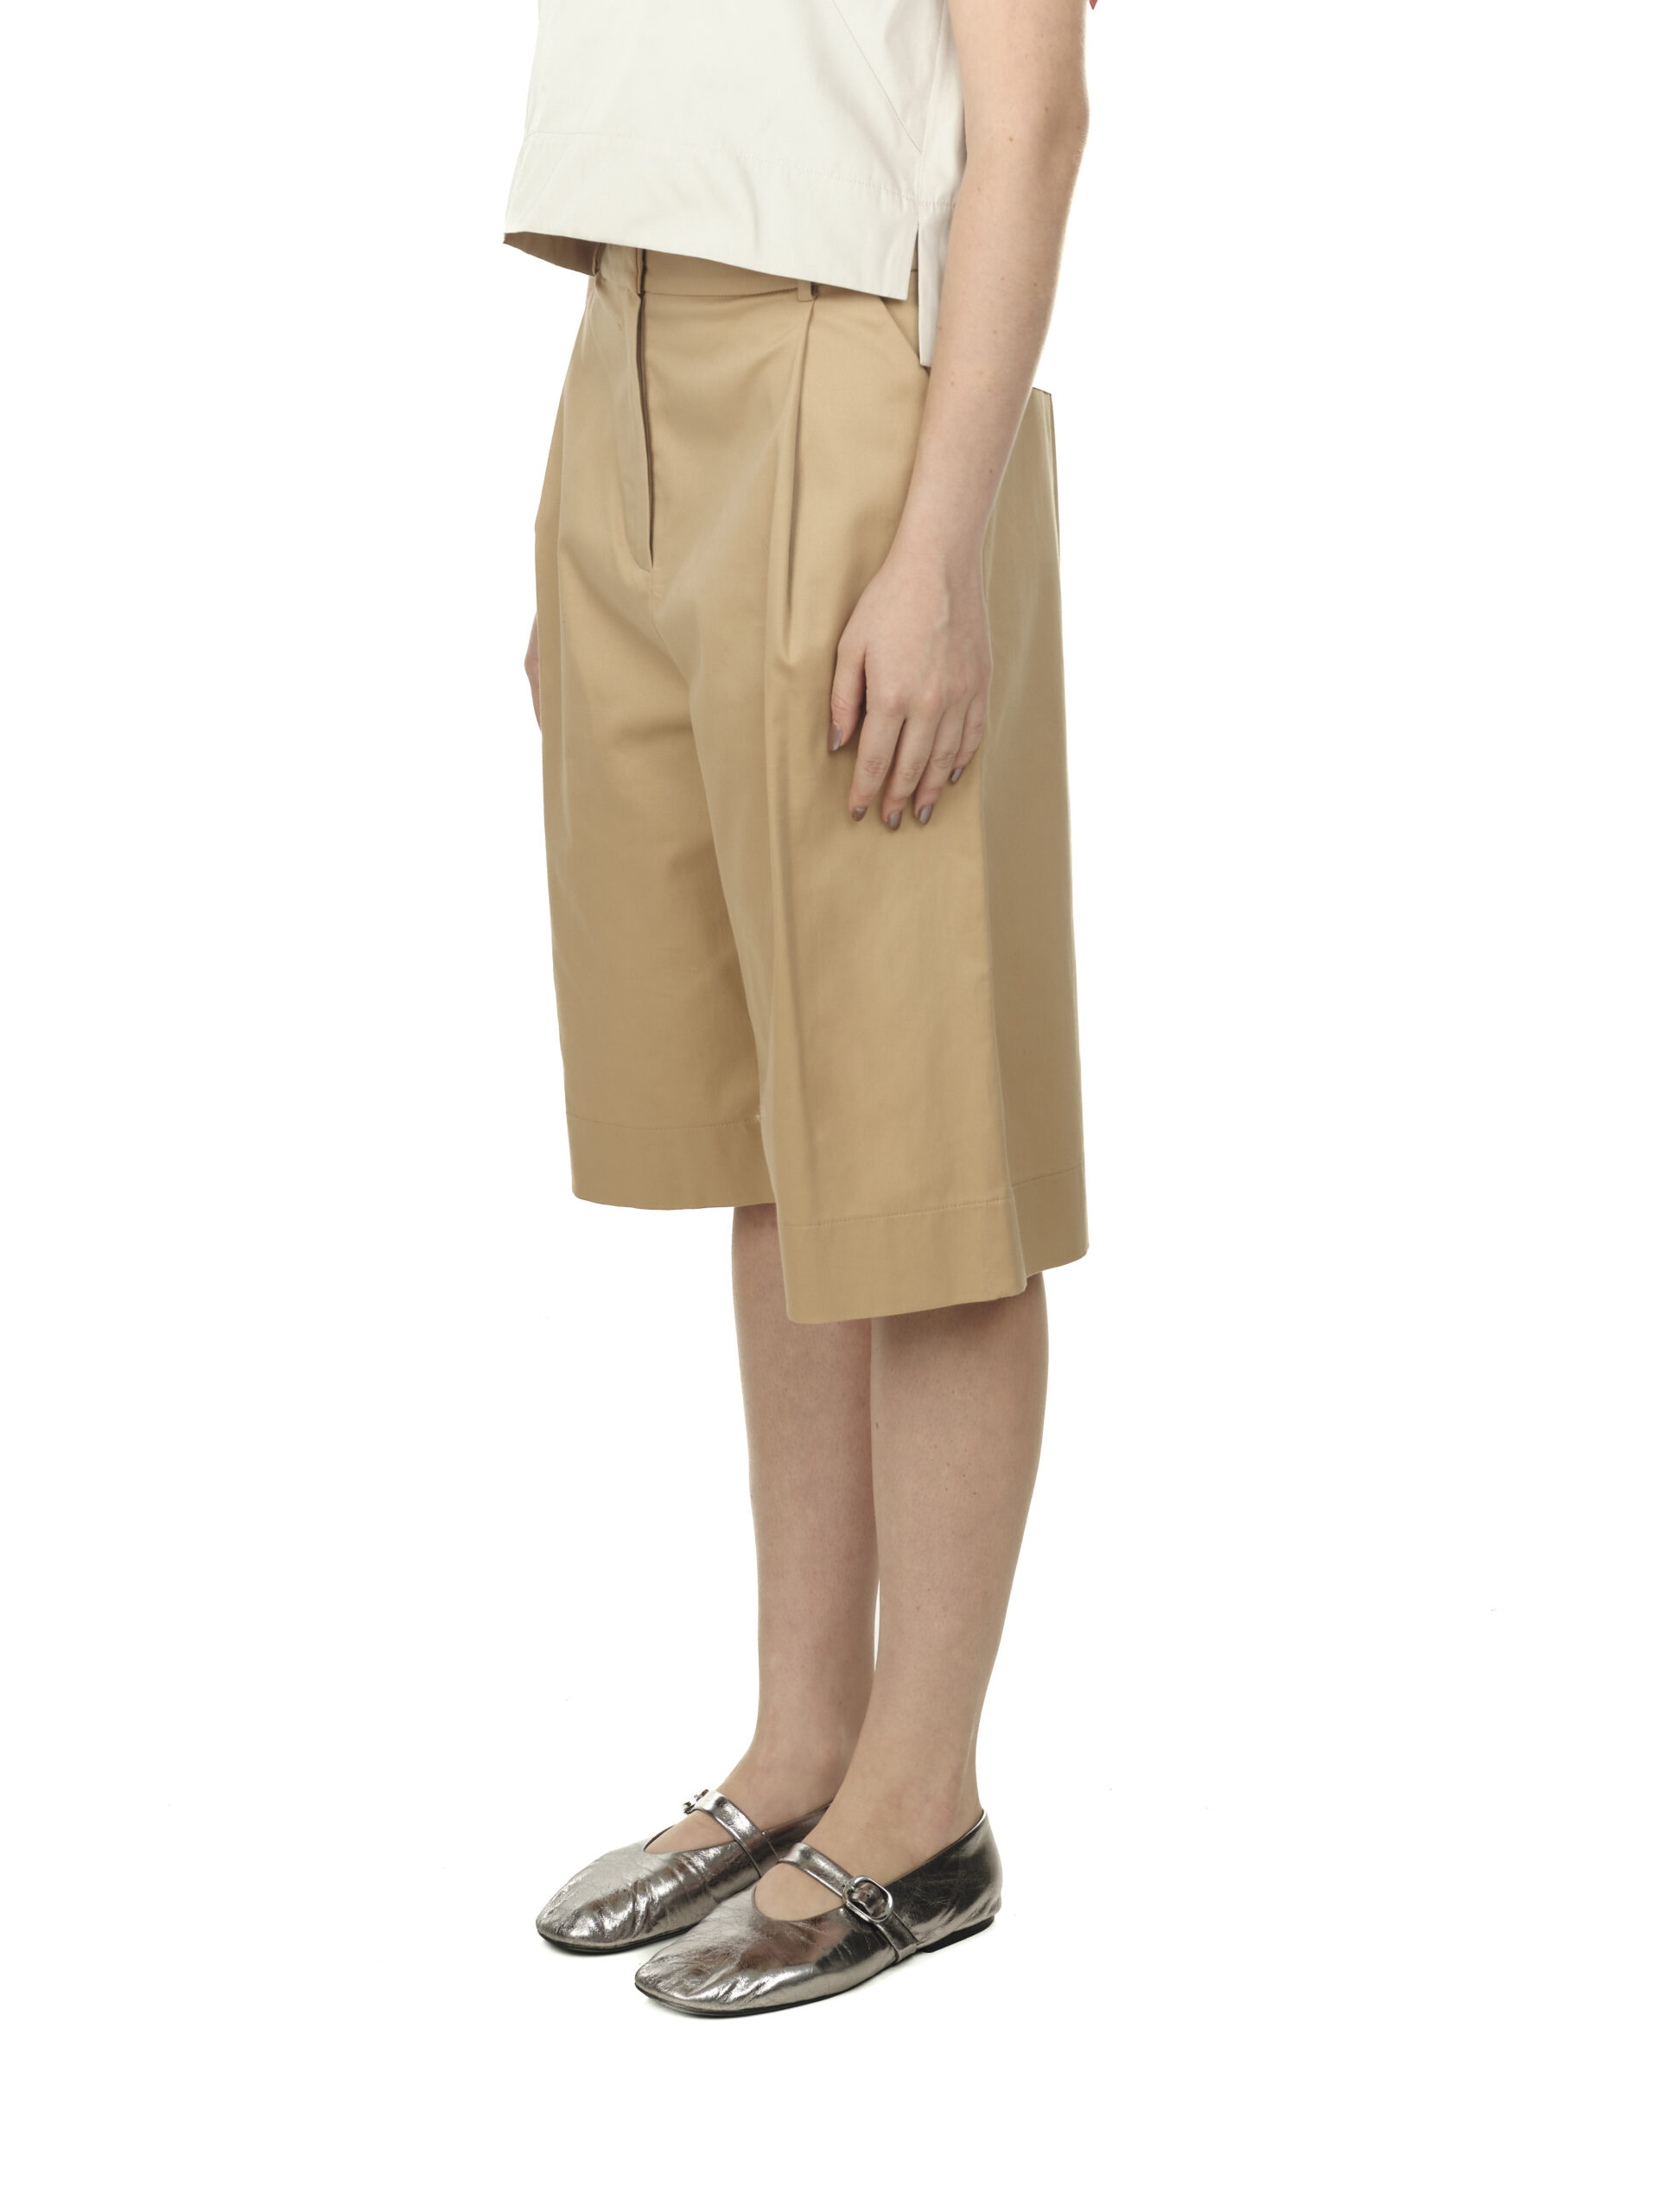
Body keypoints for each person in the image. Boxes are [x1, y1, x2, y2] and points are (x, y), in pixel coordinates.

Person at [507, 0, 1092, 2016]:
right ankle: (799, 1742)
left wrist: (940, 547)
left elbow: (1032, 116)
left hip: (852, 374)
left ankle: (922, 1803)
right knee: (775, 1128)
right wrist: (596, 511)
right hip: (629, 354)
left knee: (919, 1138)